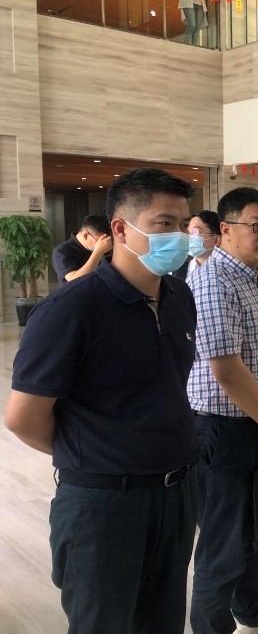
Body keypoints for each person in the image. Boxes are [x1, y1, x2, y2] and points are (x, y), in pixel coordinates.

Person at [5, 168, 199, 632]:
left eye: (183, 225)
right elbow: (23, 419)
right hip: (103, 503)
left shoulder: (178, 295)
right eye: (164, 224)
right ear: (120, 229)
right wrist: (96, 450)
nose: (179, 237)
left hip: (176, 493)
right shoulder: (71, 310)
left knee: (163, 620)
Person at [188, 188, 258, 633]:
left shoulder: (248, 278)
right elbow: (226, 368)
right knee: (223, 545)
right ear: (225, 230)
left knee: (255, 530)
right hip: (224, 429)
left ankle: (251, 612)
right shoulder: (214, 280)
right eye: (257, 226)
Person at [51, 213, 112, 282]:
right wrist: (98, 252)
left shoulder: (106, 247)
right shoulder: (62, 251)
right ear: (85, 236)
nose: (104, 244)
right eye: (100, 241)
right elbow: (74, 280)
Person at [174, 209, 220, 279]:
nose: (189, 237)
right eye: (188, 232)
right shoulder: (179, 270)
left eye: (195, 232)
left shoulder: (226, 271)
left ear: (216, 240)